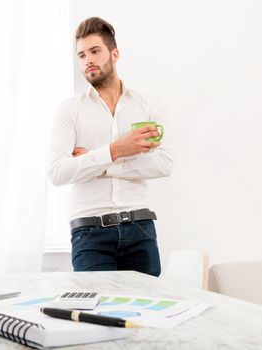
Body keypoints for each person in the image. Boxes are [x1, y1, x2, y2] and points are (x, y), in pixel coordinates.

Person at [47, 17, 173, 276]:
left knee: (147, 313)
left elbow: (164, 164)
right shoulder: (70, 110)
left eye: (95, 51)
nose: (87, 61)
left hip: (140, 226)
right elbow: (58, 172)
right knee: (96, 313)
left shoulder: (147, 105)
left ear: (114, 54)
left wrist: (101, 165)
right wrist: (115, 150)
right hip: (89, 232)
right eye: (81, 55)